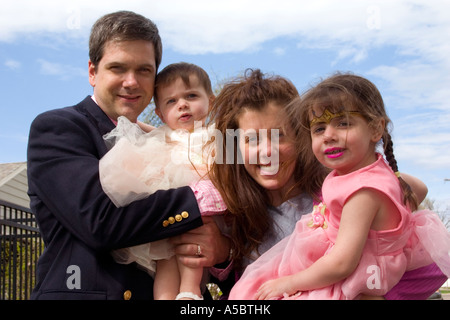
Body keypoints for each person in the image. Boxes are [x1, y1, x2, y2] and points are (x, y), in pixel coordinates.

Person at [27, 11, 229, 300]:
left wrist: (222, 253)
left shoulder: (171, 140)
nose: (132, 81)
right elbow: (99, 222)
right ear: (92, 72)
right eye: (118, 68)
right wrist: (203, 200)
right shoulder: (58, 128)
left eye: (144, 70)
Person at [228, 72, 450, 300]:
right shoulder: (231, 207)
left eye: (343, 123)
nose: (329, 136)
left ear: (376, 129)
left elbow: (343, 262)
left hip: (337, 278)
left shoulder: (362, 191)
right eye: (319, 128)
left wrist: (383, 235)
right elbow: (417, 188)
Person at [99, 62, 226, 300]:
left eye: (191, 96)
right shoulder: (164, 135)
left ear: (212, 100)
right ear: (160, 114)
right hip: (168, 213)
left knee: (192, 245)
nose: (182, 104)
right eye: (171, 101)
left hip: (203, 206)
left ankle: (189, 292)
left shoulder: (215, 133)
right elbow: (139, 129)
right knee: (164, 258)